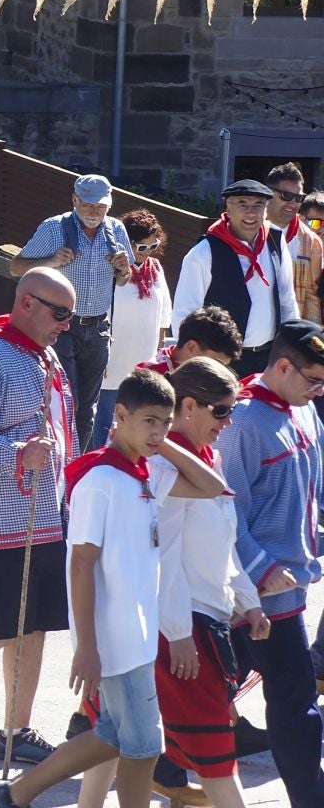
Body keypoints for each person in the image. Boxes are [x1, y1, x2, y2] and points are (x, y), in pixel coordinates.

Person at [0, 369, 226, 808]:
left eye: (166, 422)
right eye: (149, 421)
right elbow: (80, 565)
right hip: (112, 637)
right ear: (119, 414)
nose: (157, 432)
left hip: (138, 632)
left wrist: (161, 443)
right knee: (145, 745)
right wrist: (87, 647)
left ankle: (13, 797)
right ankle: (13, 796)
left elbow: (213, 487)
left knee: (115, 736)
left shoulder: (146, 471)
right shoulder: (100, 479)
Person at [65, 358, 266, 808]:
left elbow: (223, 536)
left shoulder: (198, 460)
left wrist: (248, 599)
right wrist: (176, 633)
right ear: (189, 407)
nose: (227, 422)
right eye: (221, 412)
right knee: (209, 749)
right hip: (178, 629)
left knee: (116, 735)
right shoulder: (150, 470)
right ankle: (21, 794)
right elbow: (162, 557)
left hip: (192, 621)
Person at [0, 269, 79, 766]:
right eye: (60, 314)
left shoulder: (43, 355)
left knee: (34, 624)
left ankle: (15, 729)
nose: (67, 325)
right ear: (27, 303)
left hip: (44, 512)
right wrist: (17, 453)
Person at [212, 318, 324, 808]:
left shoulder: (304, 411)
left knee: (213, 685)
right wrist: (258, 567)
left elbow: (309, 490)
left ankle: (163, 762)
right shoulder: (240, 422)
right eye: (315, 380)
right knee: (295, 697)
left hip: (289, 583)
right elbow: (224, 509)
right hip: (255, 590)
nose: (320, 390)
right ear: (282, 366)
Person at [10, 174, 134, 451]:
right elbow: (16, 267)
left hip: (99, 328)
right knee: (67, 400)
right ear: (74, 200)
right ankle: (59, 463)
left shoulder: (116, 230)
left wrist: (124, 269)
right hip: (59, 326)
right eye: (88, 205)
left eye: (101, 207)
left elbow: (124, 280)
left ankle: (74, 472)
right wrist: (52, 261)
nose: (94, 212)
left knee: (87, 409)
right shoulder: (54, 228)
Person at [174, 179, 300, 378]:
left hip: (269, 358)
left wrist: (292, 348)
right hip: (222, 362)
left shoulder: (275, 241)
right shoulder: (204, 252)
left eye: (258, 206)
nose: (251, 213)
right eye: (243, 204)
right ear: (228, 209)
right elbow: (186, 313)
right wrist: (194, 365)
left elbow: (287, 299)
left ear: (265, 210)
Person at [104, 210, 173, 403]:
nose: (148, 251)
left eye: (154, 245)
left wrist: (160, 350)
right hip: (113, 358)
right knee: (103, 419)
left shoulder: (156, 268)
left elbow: (165, 312)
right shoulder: (109, 268)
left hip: (144, 356)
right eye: (142, 247)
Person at [268, 163, 322, 322]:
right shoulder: (250, 232)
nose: (293, 203)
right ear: (269, 193)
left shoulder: (311, 242)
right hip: (253, 335)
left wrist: (313, 340)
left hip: (289, 335)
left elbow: (312, 296)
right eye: (286, 195)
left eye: (298, 198)